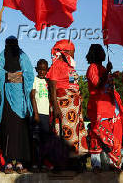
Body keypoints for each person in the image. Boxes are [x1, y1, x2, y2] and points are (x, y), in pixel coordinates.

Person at [47, 40, 88, 171]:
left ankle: (74, 161)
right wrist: (56, 107)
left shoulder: (70, 67)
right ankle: (62, 163)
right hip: (63, 104)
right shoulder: (57, 65)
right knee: (65, 134)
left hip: (74, 106)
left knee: (75, 134)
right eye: (73, 52)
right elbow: (52, 88)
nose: (74, 54)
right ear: (66, 52)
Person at [0, 36, 34, 174]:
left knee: (20, 130)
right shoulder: (2, 56)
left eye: (14, 44)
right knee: (7, 130)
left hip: (21, 100)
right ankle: (8, 162)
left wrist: (9, 76)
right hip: (7, 99)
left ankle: (19, 161)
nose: (11, 46)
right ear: (5, 45)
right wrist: (16, 76)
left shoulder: (23, 56)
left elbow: (29, 75)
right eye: (9, 44)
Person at [85, 44, 123, 173]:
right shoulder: (92, 68)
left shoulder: (102, 68)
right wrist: (107, 72)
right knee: (98, 134)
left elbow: (106, 85)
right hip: (98, 107)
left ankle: (113, 163)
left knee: (111, 135)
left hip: (109, 106)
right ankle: (96, 165)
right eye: (101, 51)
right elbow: (97, 85)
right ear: (96, 54)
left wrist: (112, 76)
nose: (104, 54)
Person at [30, 59, 50, 173]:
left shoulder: (48, 81)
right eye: (40, 69)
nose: (42, 71)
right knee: (36, 140)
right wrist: (36, 114)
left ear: (47, 70)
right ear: (36, 69)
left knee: (44, 141)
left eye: (44, 69)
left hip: (47, 115)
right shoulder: (35, 80)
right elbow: (33, 96)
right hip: (38, 114)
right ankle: (34, 163)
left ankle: (42, 164)